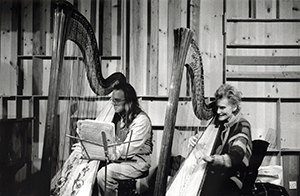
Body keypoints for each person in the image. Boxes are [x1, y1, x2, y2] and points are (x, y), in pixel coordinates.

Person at [188, 83, 252, 196]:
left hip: (233, 176)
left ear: (234, 107)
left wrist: (212, 159)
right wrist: (195, 141)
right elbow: (207, 142)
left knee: (203, 189)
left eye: (222, 108)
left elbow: (236, 155)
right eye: (217, 107)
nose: (218, 112)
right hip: (216, 173)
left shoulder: (242, 125)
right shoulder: (219, 123)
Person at [96, 82, 153, 196]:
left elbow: (128, 148)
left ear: (128, 102)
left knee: (104, 174)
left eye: (117, 101)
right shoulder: (120, 116)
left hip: (138, 162)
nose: (113, 104)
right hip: (122, 159)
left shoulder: (141, 120)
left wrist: (111, 153)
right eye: (112, 100)